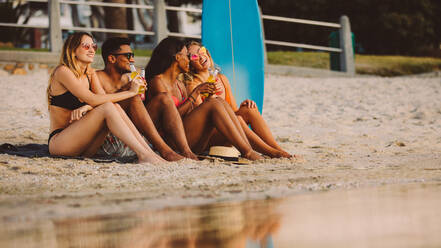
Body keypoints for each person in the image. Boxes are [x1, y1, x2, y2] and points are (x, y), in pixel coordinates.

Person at [46, 32, 164, 164]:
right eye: (86, 46)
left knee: (114, 106)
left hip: (85, 145)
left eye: (94, 46)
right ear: (72, 50)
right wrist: (131, 92)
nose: (91, 50)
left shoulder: (90, 73)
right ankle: (144, 155)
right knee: (108, 107)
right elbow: (93, 99)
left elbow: (102, 99)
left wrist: (88, 107)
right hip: (61, 143)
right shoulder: (63, 71)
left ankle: (148, 153)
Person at [145, 37, 263, 161]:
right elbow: (170, 121)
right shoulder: (158, 82)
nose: (190, 61)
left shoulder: (180, 83)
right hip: (173, 143)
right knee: (213, 104)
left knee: (218, 101)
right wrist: (195, 94)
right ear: (177, 57)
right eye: (187, 56)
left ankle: (248, 150)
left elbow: (189, 114)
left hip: (189, 138)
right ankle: (248, 152)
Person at [95, 37, 197, 161]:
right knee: (134, 98)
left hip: (135, 136)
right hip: (110, 140)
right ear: (111, 58)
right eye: (128, 56)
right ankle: (166, 151)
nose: (132, 60)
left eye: (132, 55)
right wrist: (128, 91)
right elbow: (98, 105)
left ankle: (183, 152)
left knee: (164, 98)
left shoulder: (129, 78)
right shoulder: (97, 77)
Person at [185, 41, 292, 158]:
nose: (200, 57)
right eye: (195, 56)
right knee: (239, 119)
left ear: (207, 52)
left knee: (249, 109)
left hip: (227, 128)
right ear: (190, 63)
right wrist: (210, 96)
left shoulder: (221, 79)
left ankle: (277, 149)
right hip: (208, 137)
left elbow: (233, 110)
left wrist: (243, 107)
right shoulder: (193, 85)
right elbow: (205, 123)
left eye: (201, 51)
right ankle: (272, 153)